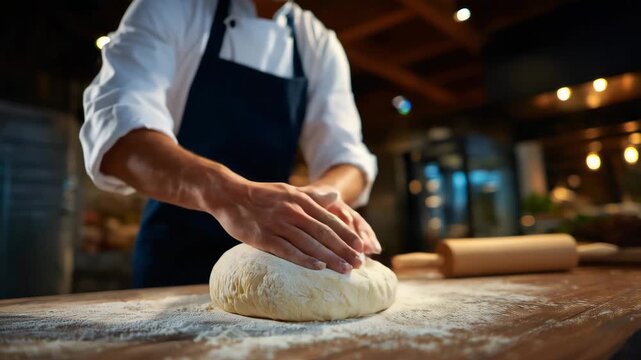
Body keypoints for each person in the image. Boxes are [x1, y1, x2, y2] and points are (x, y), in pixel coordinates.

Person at [81, 0, 380, 288]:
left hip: (277, 264)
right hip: (174, 261)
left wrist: (319, 202)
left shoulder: (317, 42)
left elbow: (347, 157)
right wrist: (234, 195)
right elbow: (120, 136)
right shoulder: (171, 7)